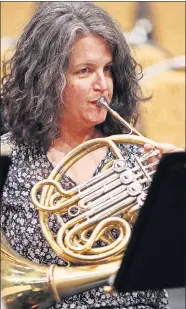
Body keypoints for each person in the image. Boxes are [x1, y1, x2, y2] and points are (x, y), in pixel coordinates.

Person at [1, 2, 183, 309]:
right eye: (84, 71)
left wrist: (177, 184)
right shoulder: (10, 159)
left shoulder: (138, 156)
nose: (103, 85)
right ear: (47, 80)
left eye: (107, 69)